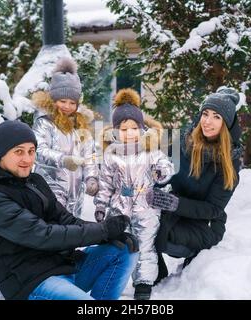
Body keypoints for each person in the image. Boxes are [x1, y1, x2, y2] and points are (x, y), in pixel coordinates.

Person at [0, 120, 139, 300]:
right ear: (2, 154)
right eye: (18, 152)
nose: (27, 159)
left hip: (64, 267)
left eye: (31, 151)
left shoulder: (34, 182)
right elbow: (43, 235)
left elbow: (66, 219)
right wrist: (102, 231)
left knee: (125, 249)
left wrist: (109, 234)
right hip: (32, 282)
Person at [146, 87, 243, 283]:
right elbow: (162, 176)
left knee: (157, 232)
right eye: (205, 114)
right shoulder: (183, 142)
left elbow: (214, 209)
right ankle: (154, 273)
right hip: (174, 212)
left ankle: (196, 263)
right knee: (138, 222)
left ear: (226, 123)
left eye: (216, 117)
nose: (207, 121)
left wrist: (175, 203)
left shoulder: (228, 163)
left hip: (204, 224)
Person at [94, 88, 175, 300]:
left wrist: (160, 173)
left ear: (141, 128)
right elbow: (105, 183)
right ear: (115, 131)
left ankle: (143, 285)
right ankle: (117, 278)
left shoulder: (150, 151)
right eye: (123, 129)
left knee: (146, 248)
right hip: (119, 209)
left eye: (133, 128)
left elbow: (166, 166)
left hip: (146, 208)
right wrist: (101, 206)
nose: (129, 133)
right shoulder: (111, 154)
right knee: (120, 246)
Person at [32, 56, 98, 218]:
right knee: (52, 229)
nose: (67, 106)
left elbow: (90, 155)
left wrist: (91, 177)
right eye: (63, 101)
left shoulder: (81, 126)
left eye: (72, 102)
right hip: (49, 187)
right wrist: (63, 159)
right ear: (53, 100)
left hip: (75, 193)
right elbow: (38, 150)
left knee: (71, 232)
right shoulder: (44, 124)